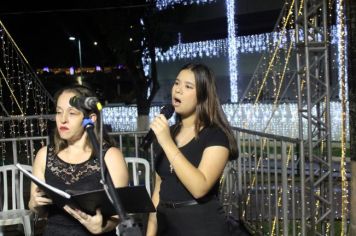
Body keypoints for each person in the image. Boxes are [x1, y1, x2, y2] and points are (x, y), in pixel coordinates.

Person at [146, 63, 238, 236]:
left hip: (200, 225)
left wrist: (167, 142)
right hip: (166, 223)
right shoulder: (169, 133)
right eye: (176, 83)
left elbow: (200, 187)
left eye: (188, 86)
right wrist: (150, 232)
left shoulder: (216, 136)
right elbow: (158, 189)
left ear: (203, 96)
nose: (178, 90)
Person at [29, 84, 129, 235]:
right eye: (59, 112)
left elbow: (119, 214)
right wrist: (35, 205)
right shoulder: (44, 155)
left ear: (91, 119)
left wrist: (102, 226)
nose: (63, 119)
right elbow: (37, 210)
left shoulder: (110, 156)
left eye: (72, 113)